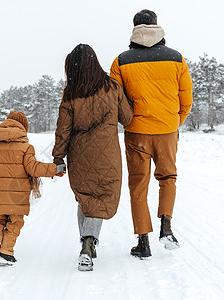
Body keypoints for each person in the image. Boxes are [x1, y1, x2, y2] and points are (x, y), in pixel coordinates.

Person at [110, 9, 193, 259]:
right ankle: (166, 226)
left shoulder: (121, 61)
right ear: (156, 27)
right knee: (167, 177)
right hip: (167, 130)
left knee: (138, 185)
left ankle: (143, 241)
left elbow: (116, 100)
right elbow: (186, 99)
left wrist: (130, 121)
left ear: (134, 28)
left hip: (137, 133)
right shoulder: (176, 58)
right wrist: (173, 122)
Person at [52, 44, 133, 271]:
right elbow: (127, 118)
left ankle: (87, 243)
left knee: (85, 198)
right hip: (107, 155)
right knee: (99, 198)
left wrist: (58, 157)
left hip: (79, 156)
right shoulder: (112, 87)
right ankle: (88, 243)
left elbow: (63, 130)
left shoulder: (70, 94)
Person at [0, 111, 65, 266]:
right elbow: (33, 168)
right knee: (14, 223)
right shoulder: (25, 148)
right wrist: (54, 169)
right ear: (24, 127)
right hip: (16, 196)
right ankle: (6, 253)